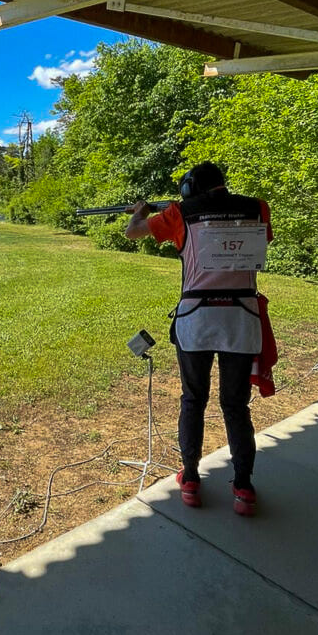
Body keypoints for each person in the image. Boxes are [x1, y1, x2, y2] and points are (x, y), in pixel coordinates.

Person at [125, 162, 272, 516]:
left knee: (193, 400)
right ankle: (244, 487)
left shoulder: (179, 212)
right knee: (236, 406)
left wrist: (142, 212)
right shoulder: (257, 207)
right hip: (242, 317)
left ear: (190, 188)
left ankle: (190, 479)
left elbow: (132, 233)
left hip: (197, 319)